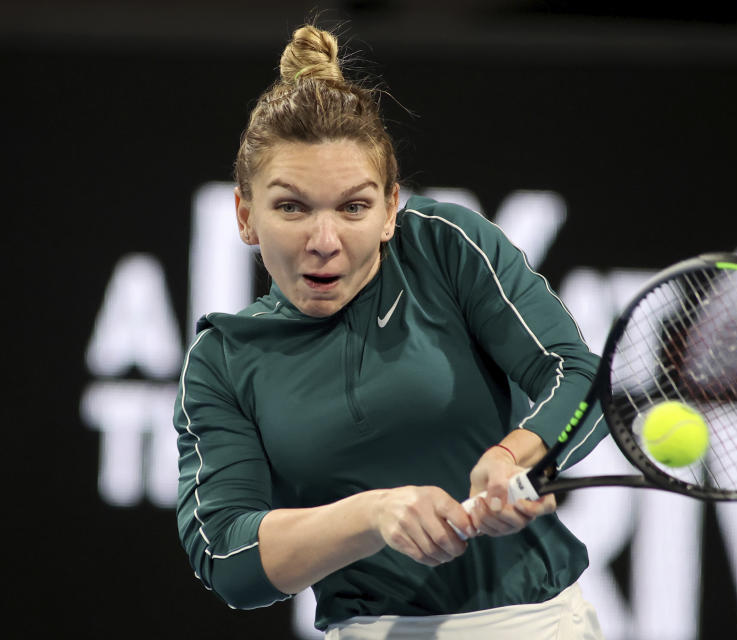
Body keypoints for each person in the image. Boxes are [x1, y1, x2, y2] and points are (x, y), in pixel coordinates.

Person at [174, 24, 607, 639]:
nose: (324, 242)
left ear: (390, 209)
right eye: (291, 207)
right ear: (245, 215)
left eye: (352, 207)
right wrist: (374, 515)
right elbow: (227, 558)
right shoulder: (223, 359)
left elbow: (578, 375)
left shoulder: (444, 245)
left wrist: (518, 456)